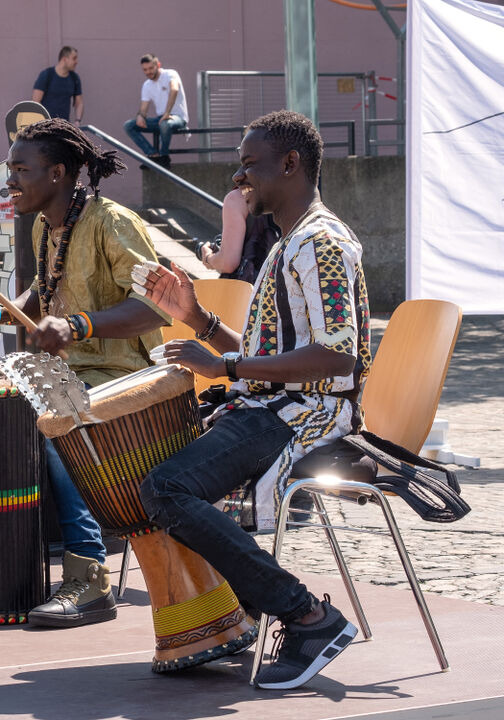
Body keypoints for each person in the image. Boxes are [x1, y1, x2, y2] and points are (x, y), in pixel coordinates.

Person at [135, 110, 371, 689]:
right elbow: (279, 356)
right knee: (157, 475)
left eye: (249, 167)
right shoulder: (292, 242)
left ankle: (306, 615)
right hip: (276, 405)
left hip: (303, 417)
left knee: (166, 487)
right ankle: (239, 611)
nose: (241, 182)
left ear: (290, 164)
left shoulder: (322, 244)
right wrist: (198, 320)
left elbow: (337, 357)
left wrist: (227, 367)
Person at [0, 118, 169, 628]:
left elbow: (157, 308)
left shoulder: (114, 223)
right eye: (11, 170)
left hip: (125, 376)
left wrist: (78, 325)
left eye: (22, 170)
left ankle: (89, 577)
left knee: (59, 415)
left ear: (59, 172)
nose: (11, 182)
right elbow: (43, 297)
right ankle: (3, 566)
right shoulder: (50, 225)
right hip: (74, 375)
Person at [196, 188, 281, 284]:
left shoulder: (238, 197)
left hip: (252, 291)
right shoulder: (296, 193)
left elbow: (228, 263)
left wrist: (208, 258)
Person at [122, 54, 189, 169]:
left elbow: (174, 89)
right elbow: (143, 108)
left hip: (177, 117)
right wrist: (140, 116)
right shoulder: (147, 85)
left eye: (151, 68)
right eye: (145, 70)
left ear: (158, 65)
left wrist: (167, 113)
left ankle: (164, 156)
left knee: (165, 123)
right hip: (160, 118)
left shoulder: (170, 74)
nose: (148, 72)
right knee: (129, 125)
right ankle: (153, 155)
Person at [32, 46, 83, 125]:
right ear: (64, 59)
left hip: (63, 127)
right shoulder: (47, 75)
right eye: (74, 58)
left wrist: (78, 120)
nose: (76, 62)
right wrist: (41, 123)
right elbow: (35, 101)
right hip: (45, 127)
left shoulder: (74, 78)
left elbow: (79, 103)